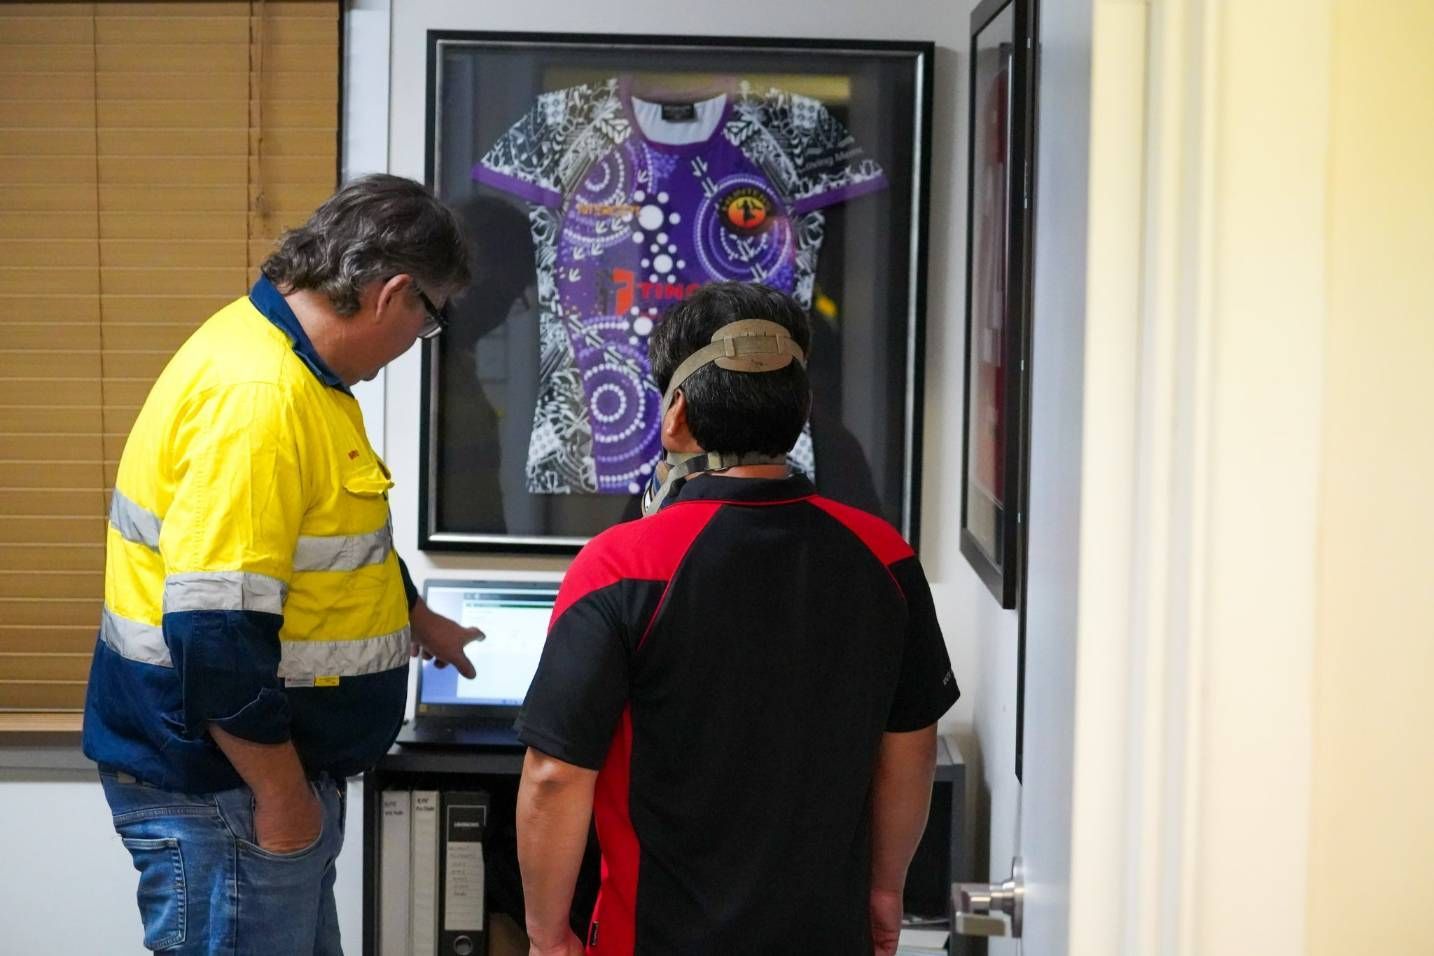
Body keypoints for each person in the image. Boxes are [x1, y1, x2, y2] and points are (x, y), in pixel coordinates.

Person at [82, 174, 484, 954]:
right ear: (394, 294)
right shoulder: (260, 399)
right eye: (429, 321)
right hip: (229, 795)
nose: (417, 343)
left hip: (249, 788)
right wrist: (281, 794)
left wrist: (415, 615)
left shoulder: (300, 375)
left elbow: (318, 539)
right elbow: (215, 632)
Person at [513, 281, 961, 956]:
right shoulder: (885, 558)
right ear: (802, 410)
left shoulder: (619, 567)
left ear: (675, 415)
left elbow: (554, 775)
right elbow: (911, 745)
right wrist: (886, 892)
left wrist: (548, 937)